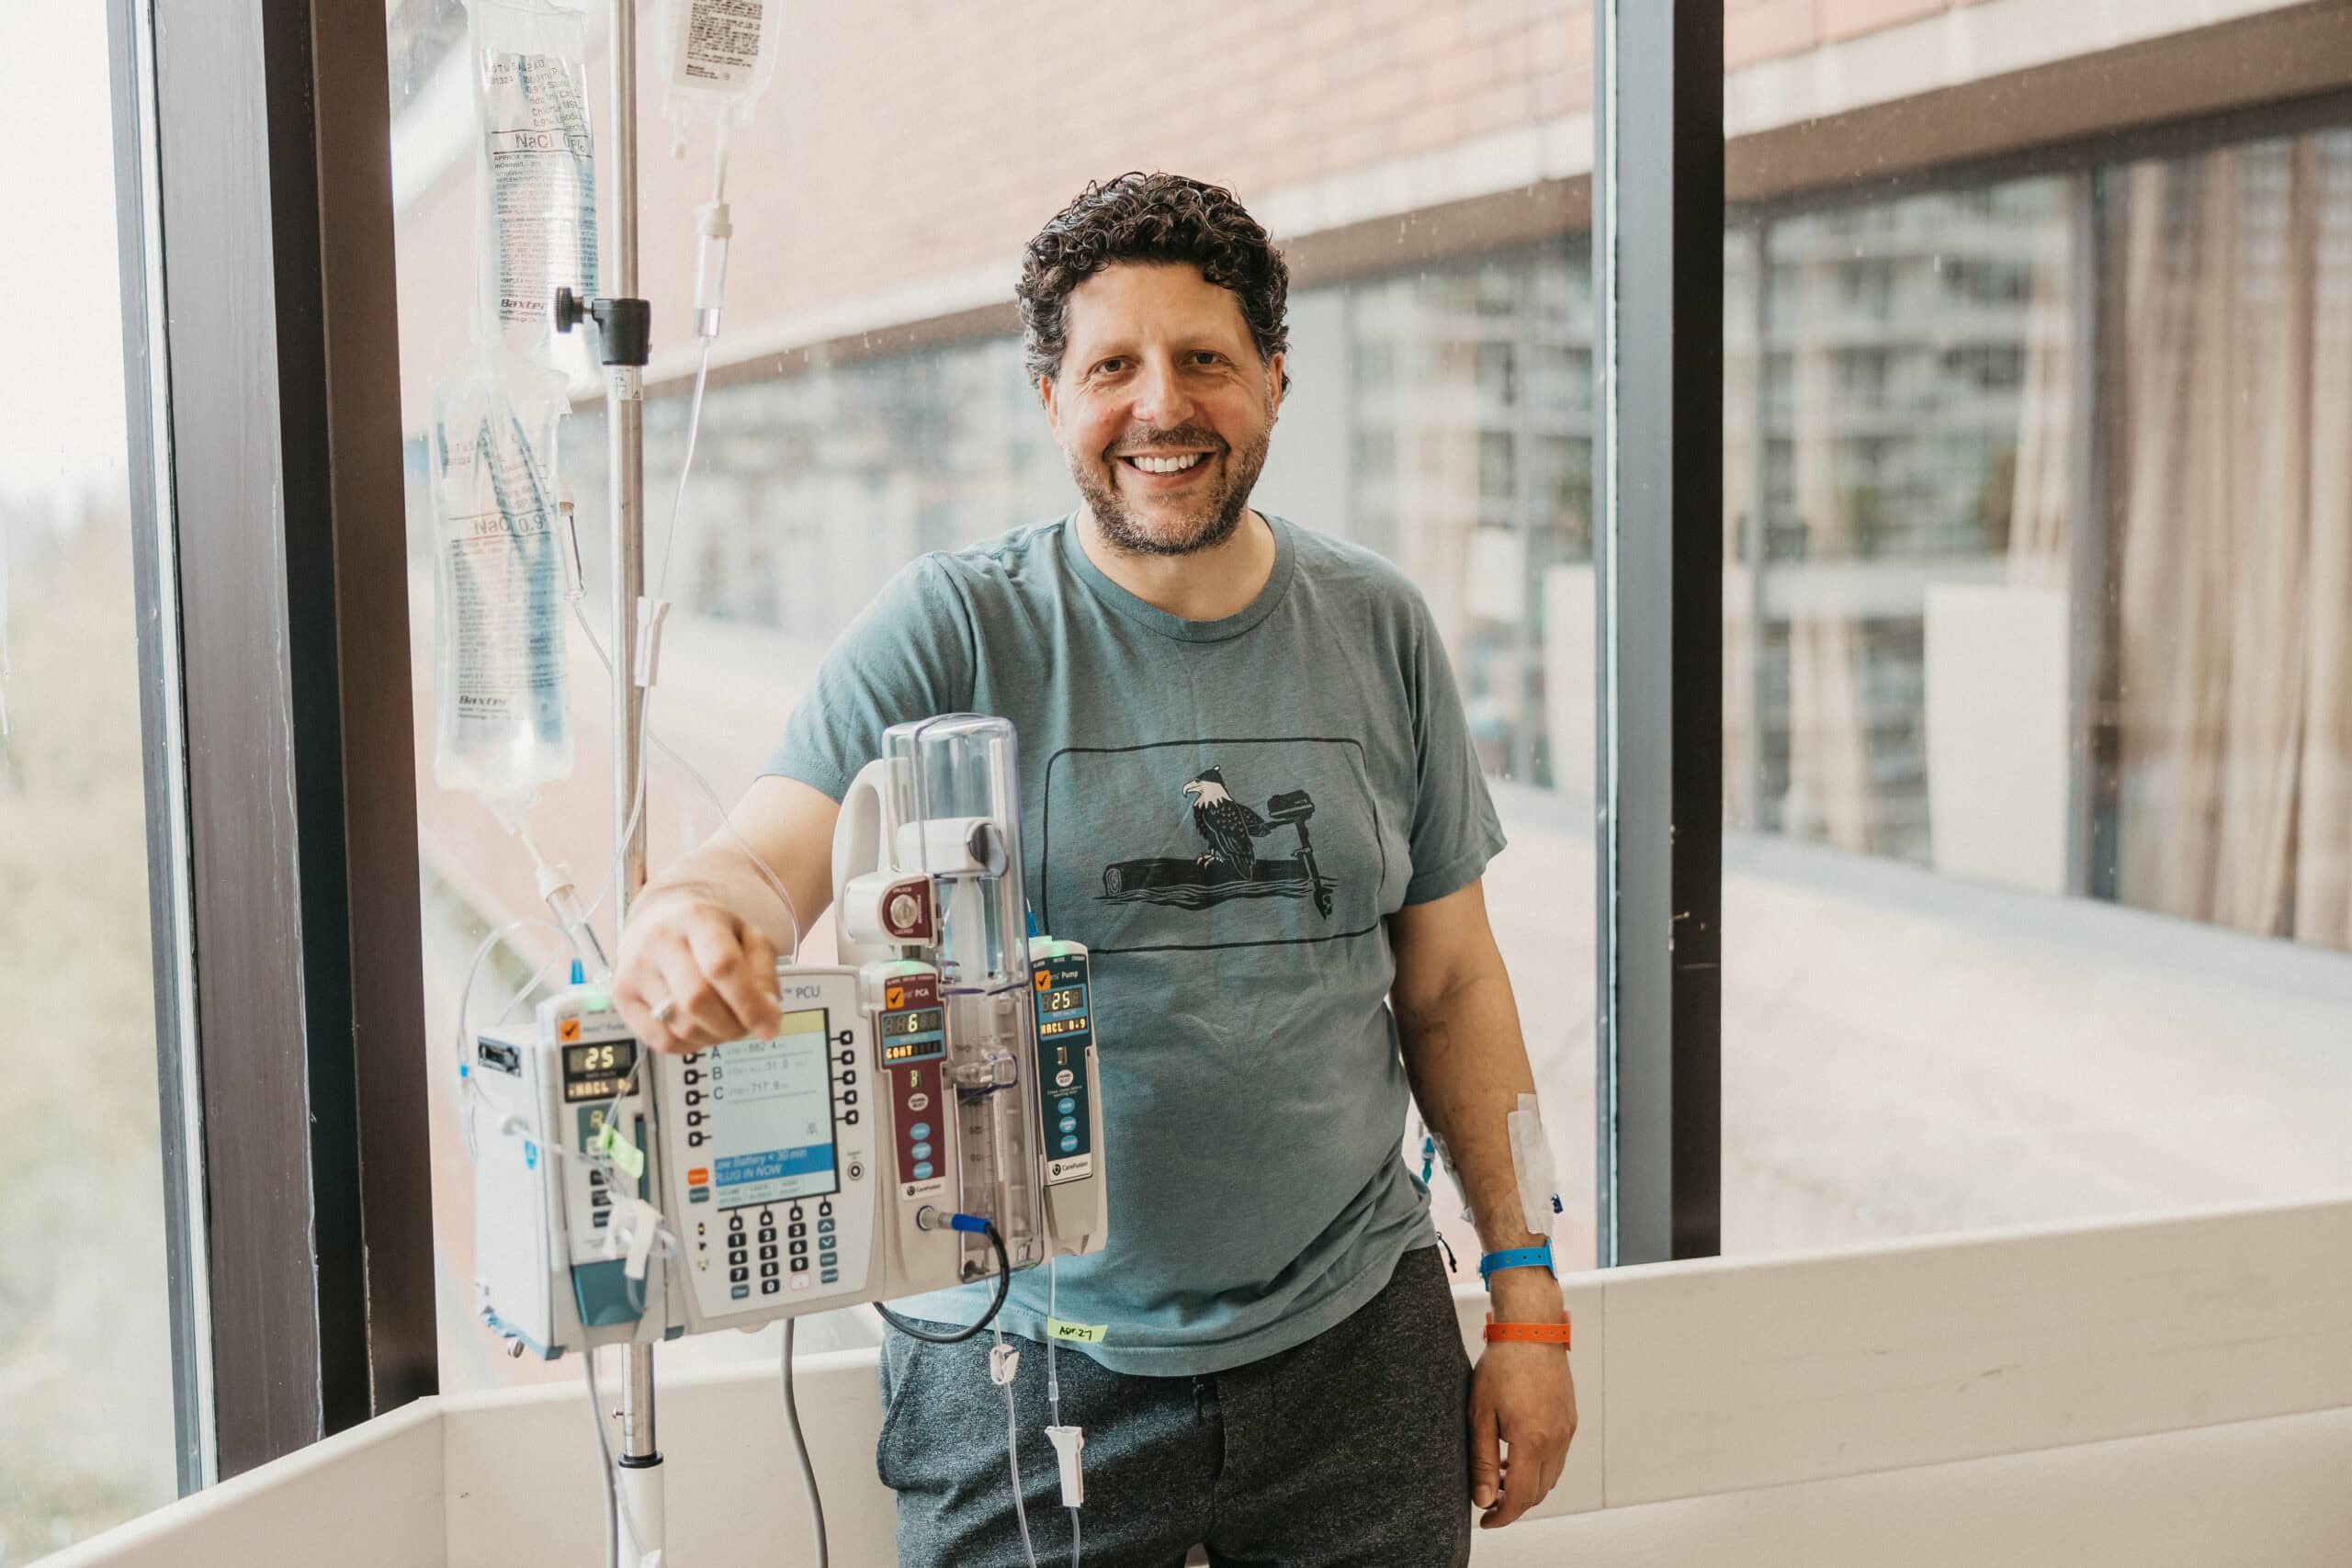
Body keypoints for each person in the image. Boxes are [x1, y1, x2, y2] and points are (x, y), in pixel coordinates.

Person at [610, 171, 1577, 1567]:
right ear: (1051, 399)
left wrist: (1529, 1301)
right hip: (1020, 1354)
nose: (1161, 407)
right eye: (1112, 366)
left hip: (1356, 1350)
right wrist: (694, 916)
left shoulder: (1380, 626)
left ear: (1277, 384)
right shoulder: (951, 627)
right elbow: (761, 855)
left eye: (1205, 361)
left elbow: (1453, 989)